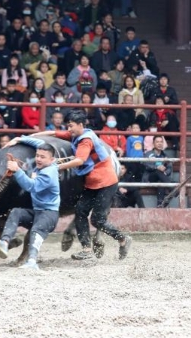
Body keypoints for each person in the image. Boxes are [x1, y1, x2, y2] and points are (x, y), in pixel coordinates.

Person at [7, 110, 131, 260]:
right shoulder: (76, 135)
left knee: (97, 220)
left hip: (105, 183)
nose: (69, 129)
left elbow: (79, 161)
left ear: (80, 125)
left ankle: (123, 239)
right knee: (80, 211)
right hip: (92, 183)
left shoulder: (85, 140)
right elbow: (53, 133)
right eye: (68, 126)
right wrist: (27, 137)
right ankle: (86, 249)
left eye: (71, 126)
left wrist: (54, 167)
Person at [0, 142, 61, 270]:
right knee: (16, 212)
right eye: (37, 155)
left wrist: (17, 170)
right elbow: (32, 177)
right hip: (38, 212)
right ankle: (4, 243)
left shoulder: (49, 173)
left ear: (52, 160)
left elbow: (31, 186)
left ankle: (32, 262)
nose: (38, 159)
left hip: (49, 214)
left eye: (42, 157)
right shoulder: (43, 168)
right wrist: (20, 139)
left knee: (36, 231)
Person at [143, 135, 173, 207]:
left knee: (161, 182)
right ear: (153, 143)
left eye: (161, 142)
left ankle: (160, 205)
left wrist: (165, 172)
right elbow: (146, 165)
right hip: (151, 177)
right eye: (157, 142)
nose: (159, 143)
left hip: (161, 177)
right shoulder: (148, 154)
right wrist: (156, 167)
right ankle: (173, 189)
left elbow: (169, 167)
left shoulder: (165, 155)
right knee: (158, 172)